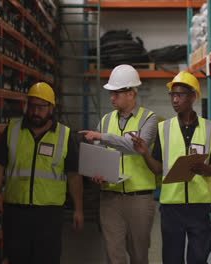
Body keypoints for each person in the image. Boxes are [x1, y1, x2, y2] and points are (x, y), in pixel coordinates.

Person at [0, 82, 83, 264]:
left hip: (49, 214)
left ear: (51, 108)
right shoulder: (13, 130)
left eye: (41, 107)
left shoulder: (64, 135)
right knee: (16, 258)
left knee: (47, 259)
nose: (35, 111)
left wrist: (78, 209)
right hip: (16, 212)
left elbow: (73, 175)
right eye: (31, 106)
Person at [130, 71, 211, 264]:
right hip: (172, 207)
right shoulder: (164, 129)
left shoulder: (210, 128)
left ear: (193, 97)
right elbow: (157, 168)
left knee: (198, 259)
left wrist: (203, 169)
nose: (175, 100)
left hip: (199, 207)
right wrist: (144, 152)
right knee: (171, 259)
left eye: (180, 95)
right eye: (173, 95)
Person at [79, 64, 158, 264]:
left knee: (139, 255)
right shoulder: (105, 120)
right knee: (113, 255)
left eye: (116, 93)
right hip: (110, 198)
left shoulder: (148, 119)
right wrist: (95, 174)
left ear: (131, 93)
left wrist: (102, 136)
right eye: (110, 93)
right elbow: (98, 154)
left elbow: (134, 146)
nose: (111, 98)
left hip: (138, 199)